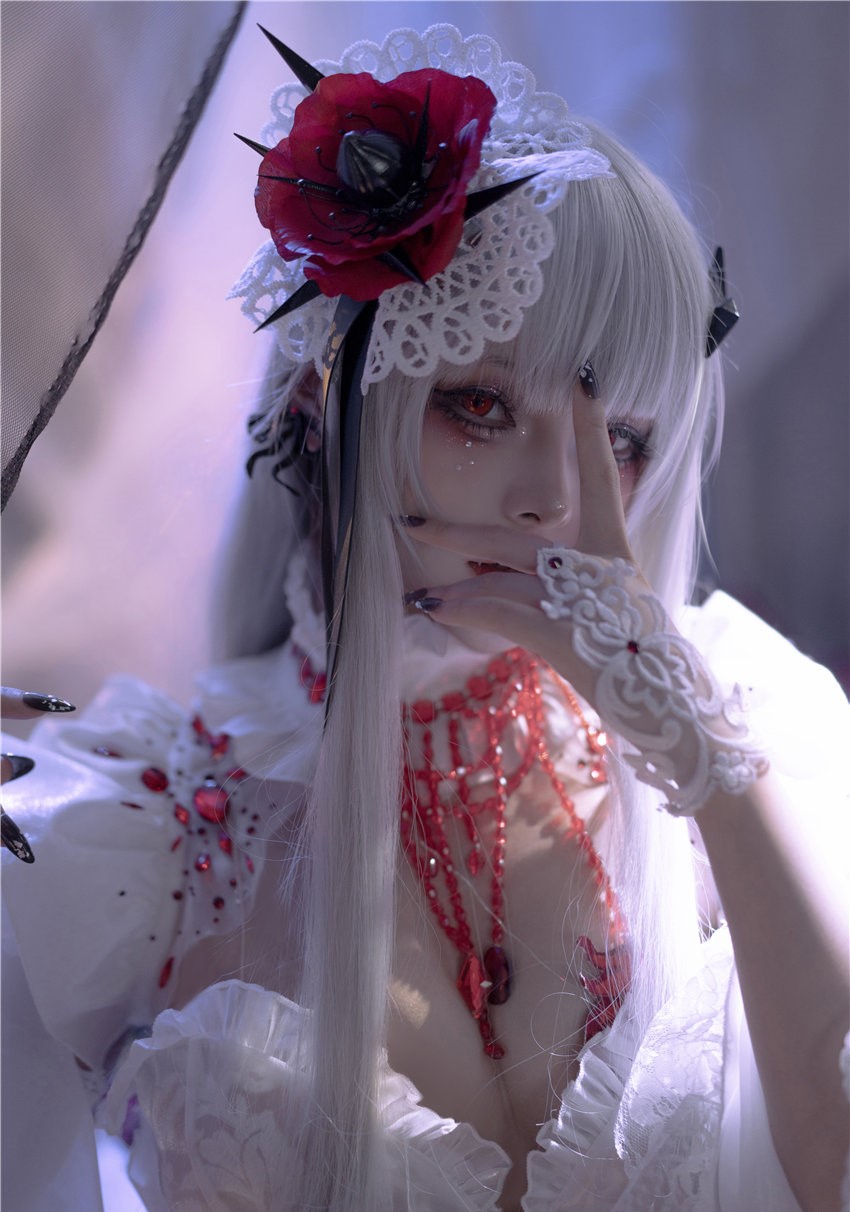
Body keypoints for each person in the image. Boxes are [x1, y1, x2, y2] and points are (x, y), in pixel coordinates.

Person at [2, 23, 848, 1212]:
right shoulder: (136, 826)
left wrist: (696, 752)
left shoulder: (750, 723)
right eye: (479, 407)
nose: (556, 498)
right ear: (324, 401)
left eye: (621, 438)